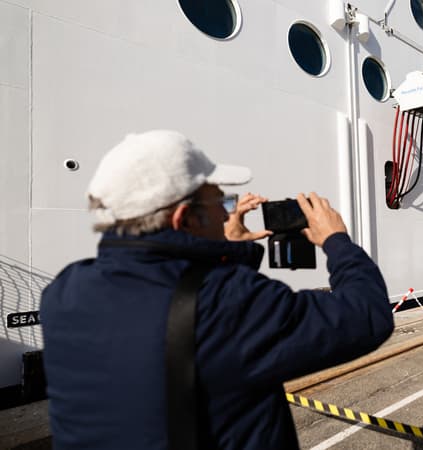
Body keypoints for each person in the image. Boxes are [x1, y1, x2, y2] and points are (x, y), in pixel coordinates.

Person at [40, 130, 394, 450]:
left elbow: (192, 339)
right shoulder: (226, 301)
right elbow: (366, 316)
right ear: (184, 219)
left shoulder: (65, 291)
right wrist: (336, 241)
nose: (228, 216)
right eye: (219, 204)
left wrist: (230, 251)